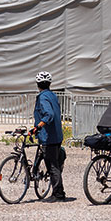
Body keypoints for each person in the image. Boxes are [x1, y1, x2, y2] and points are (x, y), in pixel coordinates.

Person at [32, 71, 67, 202]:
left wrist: (38, 126)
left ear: (37, 84)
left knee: (52, 166)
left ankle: (58, 194)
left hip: (49, 136)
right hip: (57, 135)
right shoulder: (53, 95)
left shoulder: (42, 97)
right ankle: (58, 191)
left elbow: (49, 114)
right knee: (54, 164)